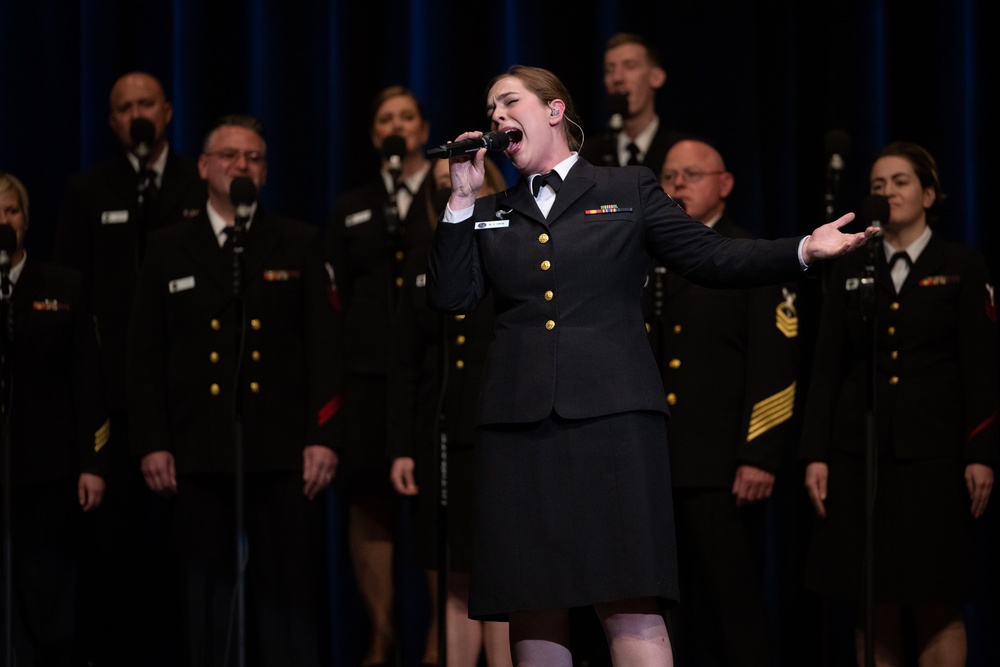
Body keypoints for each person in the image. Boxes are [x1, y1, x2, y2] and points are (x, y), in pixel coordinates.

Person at [427, 64, 874, 667]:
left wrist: (802, 249)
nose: (497, 118)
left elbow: (710, 256)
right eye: (489, 111)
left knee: (629, 600)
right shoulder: (493, 210)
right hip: (518, 426)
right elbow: (452, 297)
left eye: (510, 103)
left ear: (555, 111)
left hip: (612, 420)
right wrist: (460, 197)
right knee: (533, 603)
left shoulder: (625, 187)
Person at [126, 114, 343, 667]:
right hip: (196, 449)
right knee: (202, 601)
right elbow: (144, 353)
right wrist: (153, 440)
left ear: (265, 173)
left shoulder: (297, 241)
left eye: (252, 158)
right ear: (203, 167)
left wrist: (323, 435)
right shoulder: (167, 246)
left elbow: (324, 348)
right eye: (229, 155)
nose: (240, 165)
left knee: (289, 602)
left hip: (281, 448)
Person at [800, 141, 998, 666]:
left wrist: (981, 452)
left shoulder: (960, 263)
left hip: (935, 460)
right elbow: (827, 368)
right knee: (873, 601)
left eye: (901, 181)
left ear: (929, 194)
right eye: (878, 184)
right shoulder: (852, 264)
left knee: (937, 601)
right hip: (860, 457)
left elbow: (981, 366)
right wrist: (815, 452)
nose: (887, 192)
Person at [53, 70, 205, 666]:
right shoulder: (88, 192)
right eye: (124, 107)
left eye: (146, 103)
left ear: (167, 111)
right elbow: (70, 297)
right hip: (114, 401)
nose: (137, 114)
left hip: (189, 400)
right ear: (112, 120)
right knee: (116, 556)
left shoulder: (199, 181)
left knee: (185, 557)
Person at [653, 139, 798, 665]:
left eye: (692, 174)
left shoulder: (750, 255)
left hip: (721, 468)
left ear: (725, 184)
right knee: (663, 614)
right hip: (656, 464)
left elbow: (775, 368)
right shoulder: (650, 259)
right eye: (669, 175)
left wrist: (757, 455)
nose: (678, 185)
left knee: (732, 607)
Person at [325, 85, 436, 666]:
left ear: (422, 127)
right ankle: (382, 634)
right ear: (374, 135)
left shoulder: (447, 193)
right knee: (368, 501)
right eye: (385, 118)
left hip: (430, 376)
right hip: (368, 378)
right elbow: (335, 295)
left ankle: (441, 640)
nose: (397, 126)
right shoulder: (353, 206)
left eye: (407, 116)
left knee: (437, 504)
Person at [388, 156, 512, 667]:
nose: (451, 192)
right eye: (440, 188)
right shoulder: (424, 261)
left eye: (458, 184)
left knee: (505, 582)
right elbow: (404, 365)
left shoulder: (515, 245)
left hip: (504, 434)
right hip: (443, 437)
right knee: (454, 582)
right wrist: (401, 448)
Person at [0, 172, 109, 664]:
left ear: (25, 220)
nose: (2, 222)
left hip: (48, 471)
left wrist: (92, 462)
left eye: (11, 211)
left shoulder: (63, 286)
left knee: (47, 589)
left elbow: (88, 379)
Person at [580, 32, 687, 174]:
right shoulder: (587, 157)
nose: (617, 78)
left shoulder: (684, 151)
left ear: (656, 77)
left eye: (630, 66)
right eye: (609, 69)